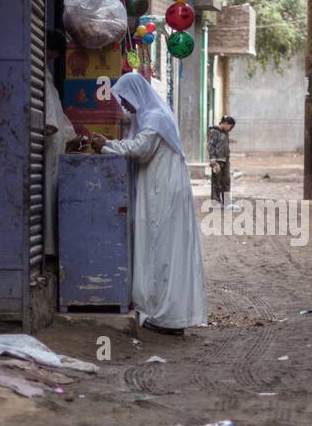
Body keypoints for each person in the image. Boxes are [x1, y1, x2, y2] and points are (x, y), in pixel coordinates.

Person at [90, 73, 206, 334]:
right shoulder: (151, 116)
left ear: (137, 94)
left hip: (163, 191)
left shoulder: (155, 118)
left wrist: (106, 146)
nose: (126, 106)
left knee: (163, 250)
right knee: (161, 249)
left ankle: (169, 317)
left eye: (127, 100)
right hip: (158, 188)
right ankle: (161, 313)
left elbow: (140, 150)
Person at [42, 30, 83, 256]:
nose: (53, 58)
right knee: (48, 188)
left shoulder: (45, 73)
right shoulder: (39, 72)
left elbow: (57, 110)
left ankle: (50, 246)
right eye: (53, 53)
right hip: (50, 139)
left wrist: (71, 134)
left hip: (56, 140)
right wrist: (54, 126)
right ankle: (48, 246)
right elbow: (51, 112)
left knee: (52, 187)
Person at [207, 115, 236, 207]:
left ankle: (227, 203)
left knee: (226, 181)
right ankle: (215, 202)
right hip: (217, 161)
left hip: (225, 160)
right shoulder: (214, 131)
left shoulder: (225, 133)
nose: (230, 129)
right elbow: (210, 145)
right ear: (226, 124)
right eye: (230, 127)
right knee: (216, 182)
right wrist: (212, 158)